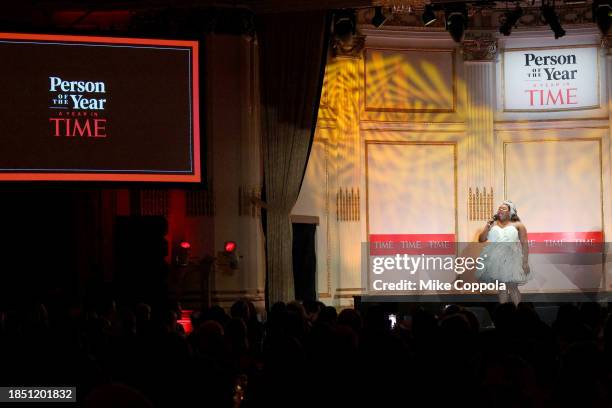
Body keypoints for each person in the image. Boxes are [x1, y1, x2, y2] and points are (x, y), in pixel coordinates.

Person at [476, 200, 531, 305]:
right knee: (502, 288)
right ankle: (504, 314)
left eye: (504, 208)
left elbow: (524, 244)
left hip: (511, 258)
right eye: (499, 208)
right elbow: (481, 239)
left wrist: (525, 262)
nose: (500, 210)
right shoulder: (492, 224)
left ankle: (519, 314)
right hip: (495, 260)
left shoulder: (518, 225)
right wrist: (487, 227)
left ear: (510, 212)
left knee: (513, 287)